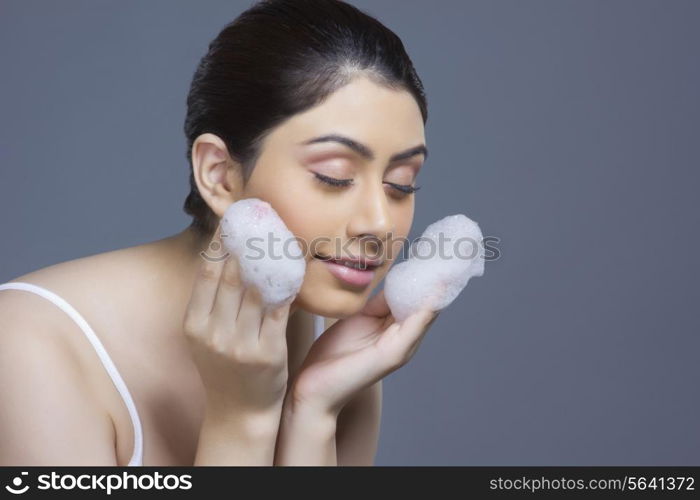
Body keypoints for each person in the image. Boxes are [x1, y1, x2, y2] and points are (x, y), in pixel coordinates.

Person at [0, 0, 439, 466]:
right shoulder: (27, 346)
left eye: (401, 184)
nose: (377, 222)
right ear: (220, 175)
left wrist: (311, 413)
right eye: (334, 176)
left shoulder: (336, 355)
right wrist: (241, 421)